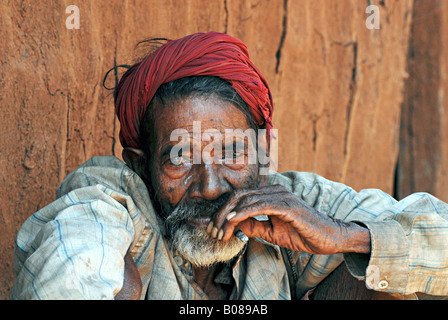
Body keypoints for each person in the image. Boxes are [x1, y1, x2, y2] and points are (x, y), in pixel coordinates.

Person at [11, 32, 448, 300]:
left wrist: (343, 237)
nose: (211, 185)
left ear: (262, 154)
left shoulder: (291, 204)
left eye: (233, 153)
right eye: (181, 158)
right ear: (140, 166)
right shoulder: (112, 200)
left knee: (382, 278)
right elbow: (69, 270)